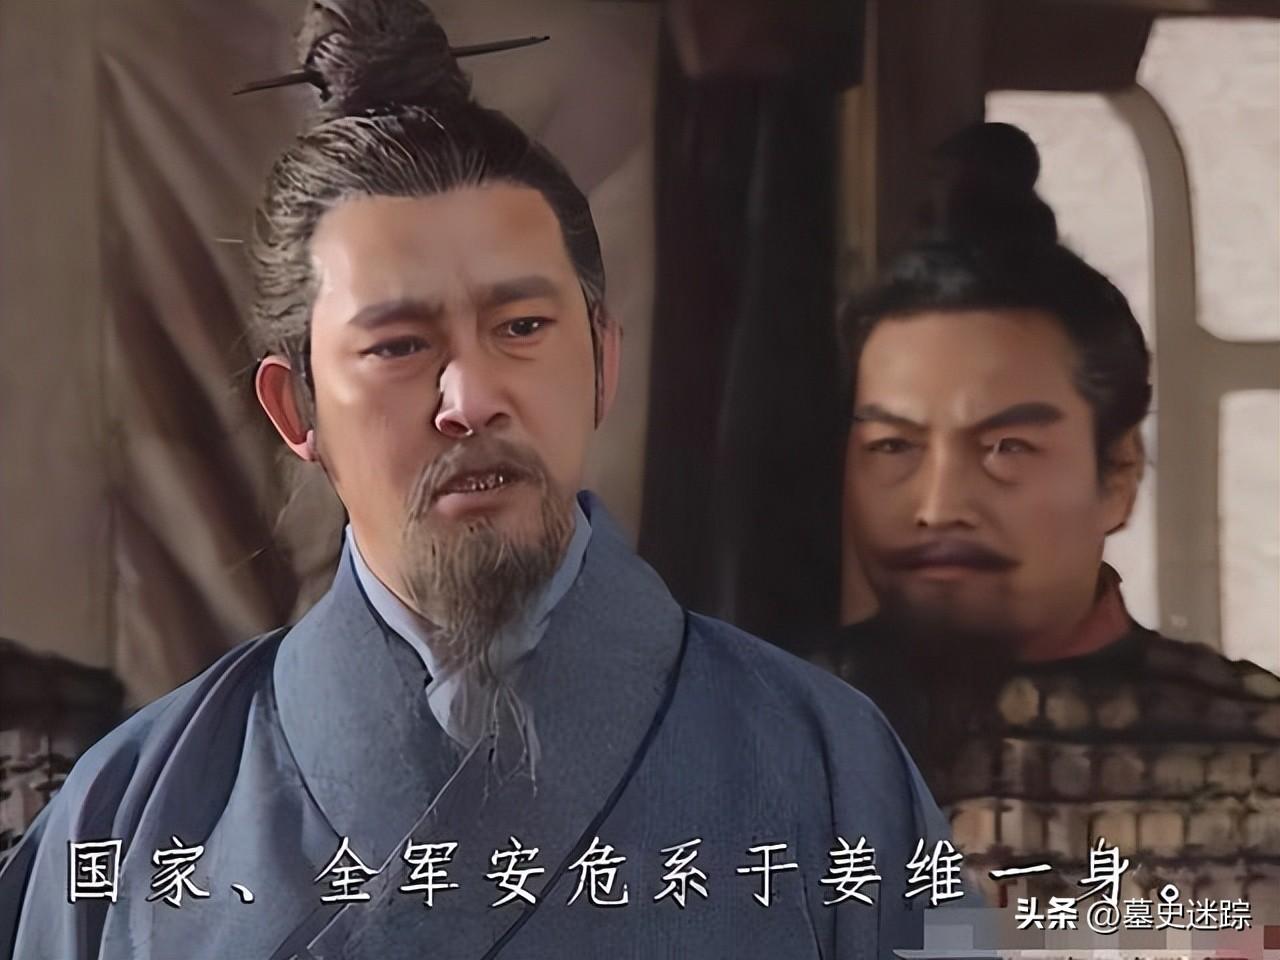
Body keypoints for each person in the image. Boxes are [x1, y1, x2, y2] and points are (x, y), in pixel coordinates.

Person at [0, 3, 953, 957]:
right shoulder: (127, 816)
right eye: (399, 345)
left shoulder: (835, 769)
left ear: (604, 362)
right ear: (296, 411)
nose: (472, 398)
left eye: (522, 328)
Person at [825, 122, 1280, 909]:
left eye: (1006, 447)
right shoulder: (757, 731)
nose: (938, 507)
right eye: (894, 446)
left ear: (1118, 474)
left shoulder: (1258, 760)